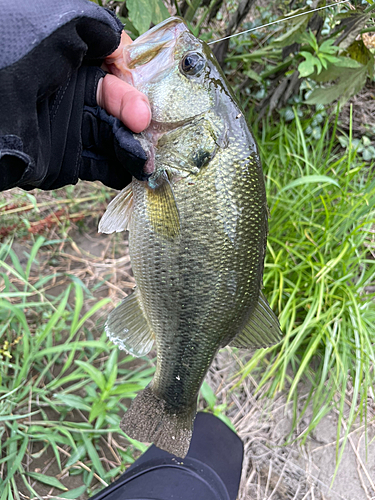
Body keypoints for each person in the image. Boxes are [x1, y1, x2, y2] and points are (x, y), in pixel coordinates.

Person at [0, 2, 244, 499]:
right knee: (219, 449)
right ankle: (176, 410)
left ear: (204, 136)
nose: (181, 54)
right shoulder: (186, 155)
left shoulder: (191, 156)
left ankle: (173, 401)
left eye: (188, 68)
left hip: (183, 301)